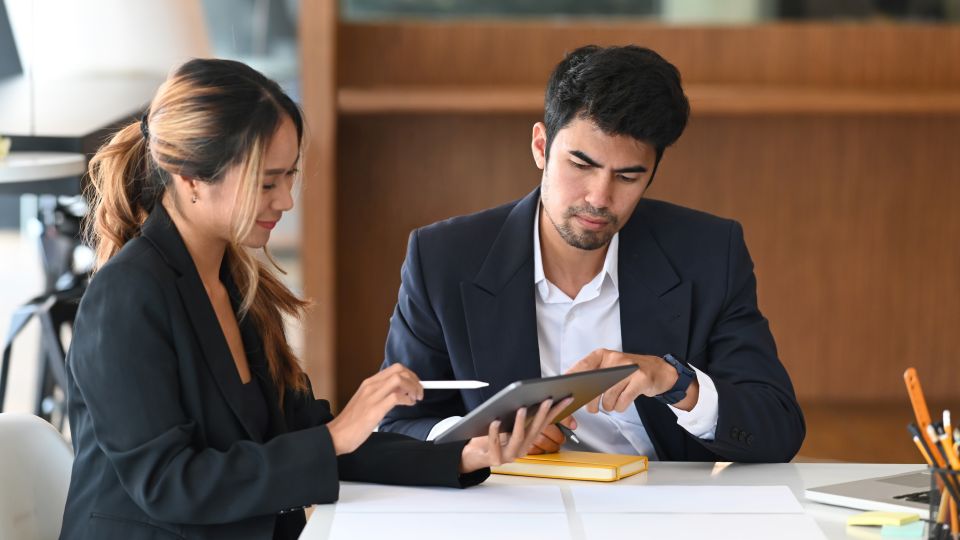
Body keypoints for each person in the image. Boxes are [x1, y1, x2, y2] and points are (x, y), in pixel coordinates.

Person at [59, 58, 568, 540]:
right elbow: (168, 485)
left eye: (290, 177)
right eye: (267, 182)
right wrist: (334, 437)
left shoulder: (235, 284)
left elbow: (307, 435)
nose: (286, 201)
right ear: (191, 178)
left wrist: (463, 455)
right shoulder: (124, 299)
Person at [379, 45, 805, 463]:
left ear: (652, 174)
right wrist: (475, 442)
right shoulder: (442, 259)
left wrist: (678, 384)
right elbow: (397, 423)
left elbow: (778, 429)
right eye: (581, 166)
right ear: (541, 147)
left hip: (658, 509)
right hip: (506, 503)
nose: (599, 198)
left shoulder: (709, 253)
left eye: (627, 176)